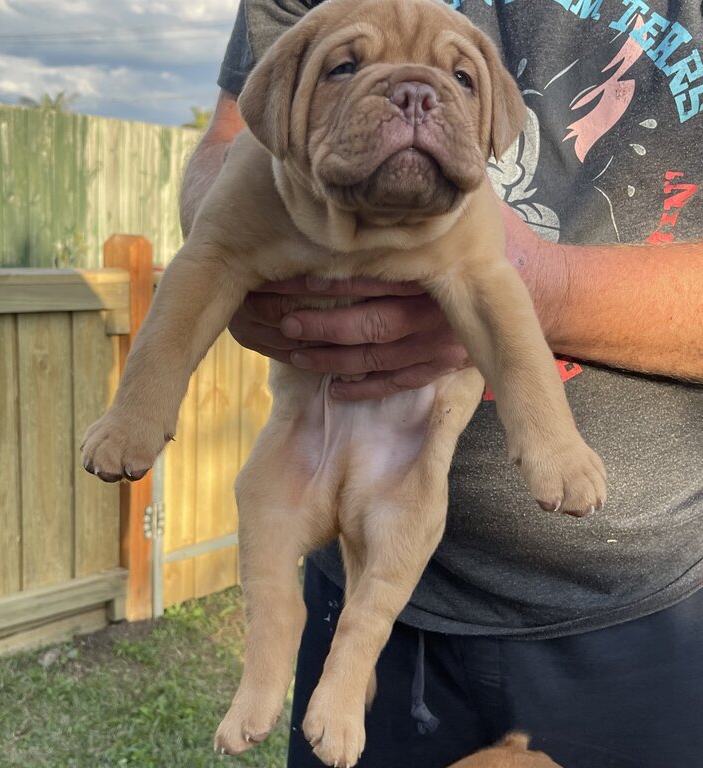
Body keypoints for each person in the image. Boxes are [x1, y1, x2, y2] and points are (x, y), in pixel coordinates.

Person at [181, 1, 703, 766]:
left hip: (635, 601)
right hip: (361, 573)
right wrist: (237, 240)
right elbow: (231, 141)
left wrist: (526, 288)